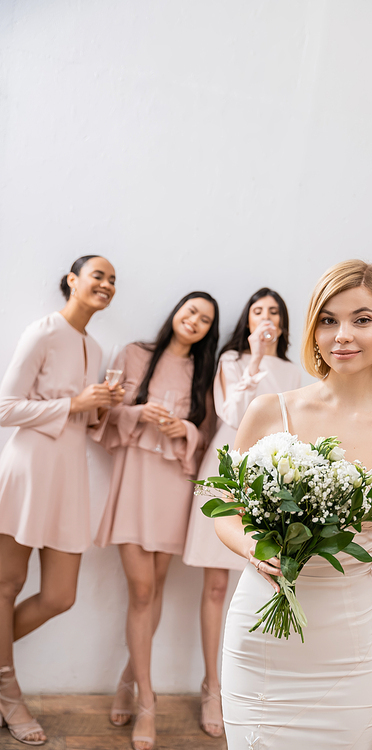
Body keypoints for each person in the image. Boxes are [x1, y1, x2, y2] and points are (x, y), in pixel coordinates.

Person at [214, 261, 372, 749]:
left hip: (350, 656)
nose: (342, 336)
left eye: (361, 319)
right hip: (260, 645)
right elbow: (224, 511)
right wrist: (253, 544)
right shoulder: (270, 410)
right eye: (327, 320)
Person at [0, 256, 121, 746]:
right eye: (98, 275)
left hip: (68, 479)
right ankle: (9, 694)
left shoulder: (95, 347)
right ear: (72, 280)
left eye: (114, 280)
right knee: (5, 586)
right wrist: (75, 403)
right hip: (28, 473)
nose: (107, 284)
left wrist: (101, 409)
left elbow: (85, 424)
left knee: (59, 596)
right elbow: (5, 407)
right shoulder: (43, 332)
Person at [93, 292, 219, 750]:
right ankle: (148, 698)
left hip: (172, 489)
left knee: (157, 587)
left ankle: (129, 675)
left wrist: (179, 429)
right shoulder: (134, 354)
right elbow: (102, 413)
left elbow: (205, 436)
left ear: (209, 330)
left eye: (205, 320)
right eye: (191, 312)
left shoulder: (203, 373)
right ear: (176, 313)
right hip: (134, 484)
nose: (195, 322)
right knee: (141, 591)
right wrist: (136, 413)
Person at [183, 288, 301, 737]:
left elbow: (295, 429)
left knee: (263, 578)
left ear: (284, 325)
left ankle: (253, 689)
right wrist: (254, 359)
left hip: (271, 476)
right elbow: (231, 413)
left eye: (274, 312)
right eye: (258, 311)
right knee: (216, 583)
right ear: (248, 322)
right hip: (226, 467)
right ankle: (212, 687)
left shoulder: (293, 372)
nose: (266, 318)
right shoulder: (232, 362)